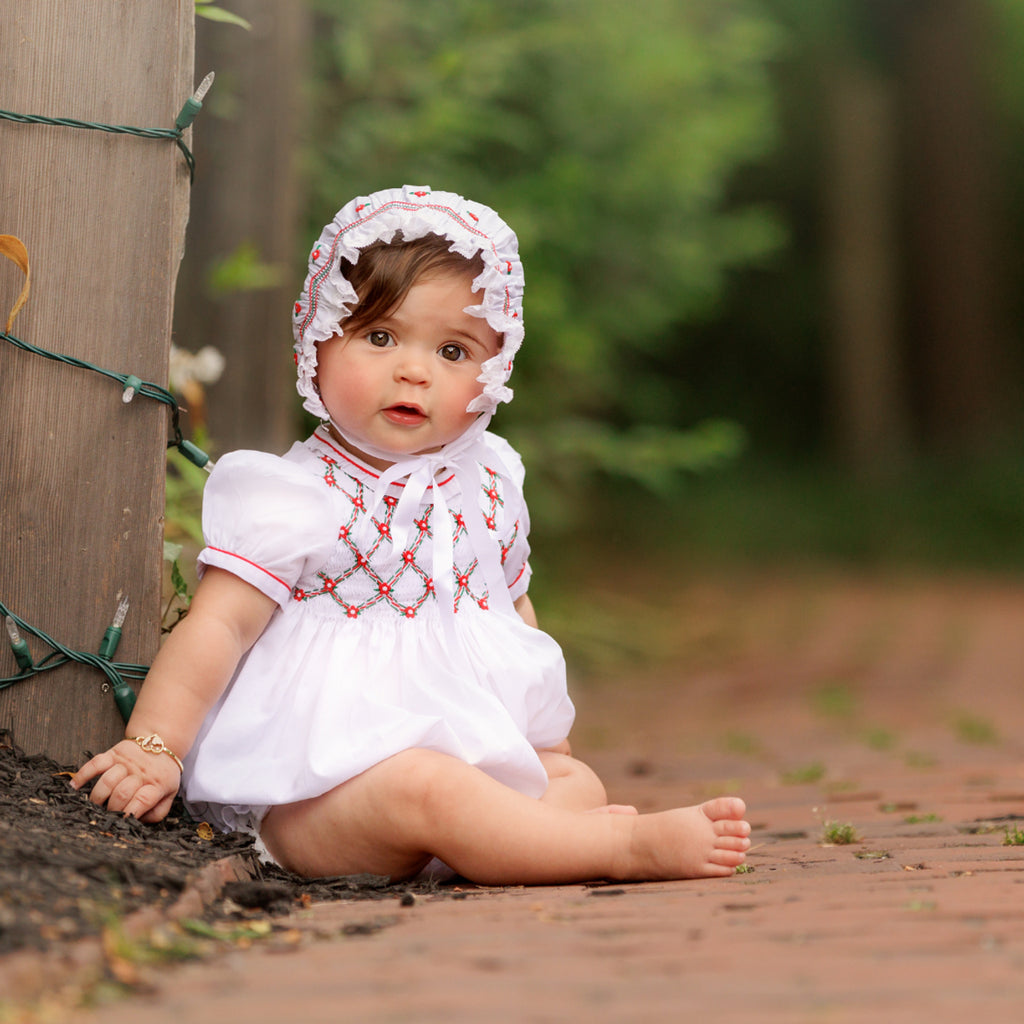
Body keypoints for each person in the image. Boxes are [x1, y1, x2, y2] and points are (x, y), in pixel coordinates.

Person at [72, 186, 750, 885]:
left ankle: (519, 836)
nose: (414, 370)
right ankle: (617, 850)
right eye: (380, 336)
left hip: (471, 762)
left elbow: (514, 618)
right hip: (325, 796)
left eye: (454, 351)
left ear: (494, 373)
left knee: (575, 784)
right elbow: (219, 629)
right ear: (317, 341)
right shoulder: (294, 496)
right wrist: (154, 746)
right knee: (426, 788)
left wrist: (546, 747)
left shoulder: (490, 484)